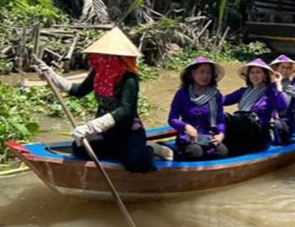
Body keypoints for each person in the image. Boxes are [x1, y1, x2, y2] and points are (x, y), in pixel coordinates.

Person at [38, 27, 158, 172]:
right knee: (79, 149)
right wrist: (51, 76)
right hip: (106, 132)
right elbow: (79, 90)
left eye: (107, 56)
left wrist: (91, 126)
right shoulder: (99, 72)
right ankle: (117, 151)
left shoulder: (129, 78)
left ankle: (151, 149)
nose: (102, 59)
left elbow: (126, 111)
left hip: (127, 130)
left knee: (135, 163)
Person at [168, 57, 228, 160]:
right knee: (195, 152)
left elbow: (219, 119)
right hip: (187, 137)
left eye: (208, 73)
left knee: (222, 152)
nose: (205, 76)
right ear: (193, 73)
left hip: (207, 136)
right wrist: (185, 126)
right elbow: (172, 118)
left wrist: (221, 134)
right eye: (201, 72)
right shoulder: (182, 93)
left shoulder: (215, 95)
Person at [223, 58, 287, 155]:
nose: (254, 75)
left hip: (261, 132)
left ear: (265, 75)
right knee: (224, 116)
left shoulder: (270, 92)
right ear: (248, 76)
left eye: (258, 72)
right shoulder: (243, 91)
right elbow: (223, 100)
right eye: (252, 72)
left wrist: (278, 85)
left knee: (240, 118)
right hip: (242, 127)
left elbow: (282, 106)